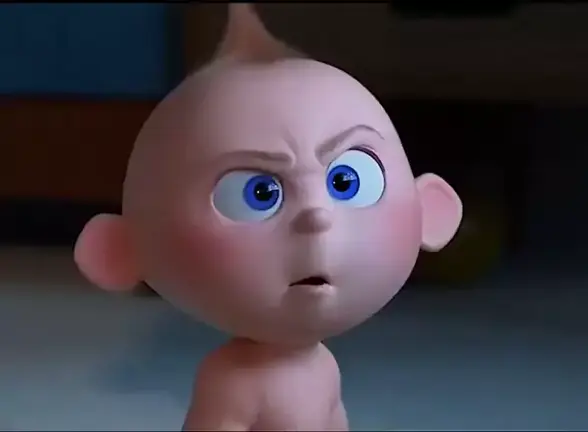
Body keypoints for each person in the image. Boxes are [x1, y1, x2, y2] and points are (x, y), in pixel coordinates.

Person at [73, 4, 462, 430]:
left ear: (431, 210)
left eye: (346, 181)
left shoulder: (323, 367)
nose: (316, 215)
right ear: (121, 253)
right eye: (258, 193)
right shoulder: (232, 381)